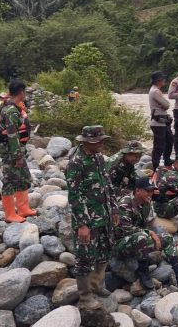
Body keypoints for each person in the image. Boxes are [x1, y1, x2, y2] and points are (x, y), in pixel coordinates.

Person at [66, 125, 119, 309]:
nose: (102, 144)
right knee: (85, 257)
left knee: (105, 250)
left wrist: (114, 209)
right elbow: (74, 196)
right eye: (99, 141)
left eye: (102, 140)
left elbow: (107, 184)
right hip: (87, 218)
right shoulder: (76, 162)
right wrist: (82, 225)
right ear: (88, 142)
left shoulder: (98, 157)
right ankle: (85, 297)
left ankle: (97, 285)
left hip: (103, 214)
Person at [114, 177, 178, 290]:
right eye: (147, 191)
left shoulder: (146, 202)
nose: (150, 194)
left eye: (151, 191)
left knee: (167, 238)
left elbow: (148, 223)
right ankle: (142, 271)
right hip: (120, 243)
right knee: (142, 237)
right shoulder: (124, 204)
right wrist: (150, 233)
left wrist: (155, 236)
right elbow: (126, 229)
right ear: (138, 190)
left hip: (138, 238)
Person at [0, 80, 36, 223]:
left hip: (18, 149)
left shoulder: (11, 106)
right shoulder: (11, 111)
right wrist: (17, 156)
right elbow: (12, 135)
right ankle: (10, 214)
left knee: (24, 177)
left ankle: (23, 208)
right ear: (21, 93)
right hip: (11, 152)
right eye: (24, 92)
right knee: (9, 181)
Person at [149, 71, 174, 169]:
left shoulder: (155, 90)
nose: (164, 80)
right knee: (159, 146)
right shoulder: (155, 91)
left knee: (170, 140)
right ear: (159, 80)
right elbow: (166, 105)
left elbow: (165, 105)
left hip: (162, 123)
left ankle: (167, 160)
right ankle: (155, 166)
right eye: (163, 79)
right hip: (158, 123)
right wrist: (164, 105)